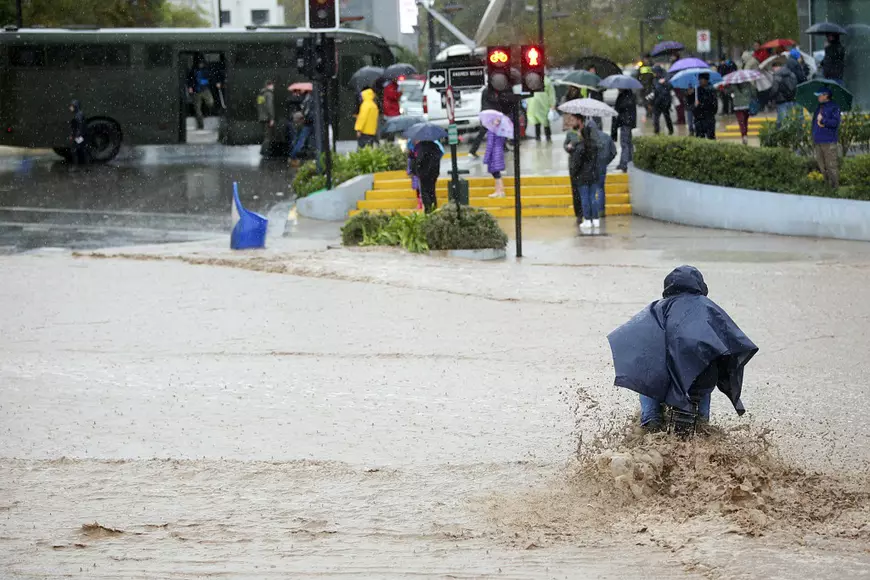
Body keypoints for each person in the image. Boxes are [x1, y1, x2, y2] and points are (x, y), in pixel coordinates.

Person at [607, 266, 758, 433]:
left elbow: (635, 337)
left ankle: (651, 419)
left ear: (668, 286)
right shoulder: (711, 309)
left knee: (647, 378)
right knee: (701, 420)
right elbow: (734, 344)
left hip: (665, 375)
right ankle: (701, 428)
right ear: (701, 286)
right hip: (701, 376)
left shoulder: (660, 308)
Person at [565, 114, 600, 232]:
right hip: (592, 174)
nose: (571, 122)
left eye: (573, 120)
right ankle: (594, 219)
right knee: (591, 197)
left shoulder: (582, 145)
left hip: (582, 175)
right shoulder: (593, 145)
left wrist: (575, 172)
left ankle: (588, 219)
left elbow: (577, 162)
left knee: (585, 197)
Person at [587, 119, 617, 217]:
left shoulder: (587, 139)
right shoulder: (606, 137)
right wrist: (606, 162)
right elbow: (613, 152)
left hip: (591, 167)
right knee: (600, 188)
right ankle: (601, 211)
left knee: (591, 190)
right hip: (602, 166)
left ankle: (592, 211)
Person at [812, 87, 841, 189]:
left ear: (826, 95)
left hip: (828, 141)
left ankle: (834, 189)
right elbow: (814, 124)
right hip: (818, 141)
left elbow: (835, 123)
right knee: (822, 167)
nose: (818, 97)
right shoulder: (818, 107)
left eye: (820, 95)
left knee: (831, 166)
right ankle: (826, 188)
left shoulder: (834, 107)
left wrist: (823, 120)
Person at [414, 139, 444, 213]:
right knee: (432, 193)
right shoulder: (435, 146)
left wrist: (418, 171)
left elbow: (419, 161)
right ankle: (434, 209)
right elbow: (438, 158)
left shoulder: (422, 147)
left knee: (425, 193)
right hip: (433, 174)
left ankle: (428, 211)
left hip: (424, 175)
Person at [189, 59, 217, 130]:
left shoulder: (206, 70)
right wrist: (190, 86)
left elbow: (211, 78)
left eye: (201, 63)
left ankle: (207, 115)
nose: (200, 64)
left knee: (210, 103)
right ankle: (201, 125)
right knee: (197, 109)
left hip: (205, 89)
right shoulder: (194, 71)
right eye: (199, 63)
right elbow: (190, 79)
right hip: (196, 90)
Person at [527, 75, 556, 143]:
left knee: (545, 122)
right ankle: (539, 138)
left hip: (543, 105)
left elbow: (551, 94)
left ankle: (547, 138)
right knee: (537, 123)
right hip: (534, 106)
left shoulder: (547, 81)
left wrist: (552, 105)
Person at [484, 121, 508, 198]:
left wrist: (486, 157)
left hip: (493, 153)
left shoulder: (491, 129)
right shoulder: (501, 129)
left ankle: (500, 191)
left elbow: (490, 144)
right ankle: (499, 191)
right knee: (496, 172)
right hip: (499, 151)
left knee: (495, 173)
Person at [614, 89, 636, 171]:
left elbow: (621, 108)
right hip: (628, 123)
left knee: (625, 143)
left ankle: (624, 163)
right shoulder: (630, 95)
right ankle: (630, 162)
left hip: (625, 123)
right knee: (628, 143)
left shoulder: (624, 96)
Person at [771, 62, 798, 127]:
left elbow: (775, 89)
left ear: (775, 67)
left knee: (781, 119)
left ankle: (780, 134)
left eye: (773, 68)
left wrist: (771, 97)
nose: (773, 70)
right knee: (789, 118)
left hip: (781, 100)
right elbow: (795, 86)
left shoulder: (777, 75)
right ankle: (789, 134)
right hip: (791, 99)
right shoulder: (792, 74)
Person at [693, 72, 718, 140]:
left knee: (711, 138)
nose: (700, 81)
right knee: (699, 139)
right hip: (698, 119)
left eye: (702, 79)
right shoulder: (697, 90)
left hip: (709, 118)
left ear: (706, 80)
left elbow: (714, 106)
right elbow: (692, 106)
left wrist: (700, 104)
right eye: (699, 79)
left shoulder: (711, 90)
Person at [257, 80, 275, 157]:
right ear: (269, 85)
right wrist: (272, 118)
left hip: (262, 117)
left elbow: (259, 105)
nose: (273, 87)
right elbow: (269, 106)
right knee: (268, 136)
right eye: (272, 85)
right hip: (267, 118)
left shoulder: (261, 94)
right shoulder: (269, 94)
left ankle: (264, 151)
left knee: (265, 135)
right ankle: (265, 151)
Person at [68, 100, 88, 167]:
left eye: (72, 106)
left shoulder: (79, 115)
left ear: (75, 107)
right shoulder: (78, 114)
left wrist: (76, 136)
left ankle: (76, 166)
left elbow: (80, 126)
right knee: (82, 150)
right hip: (80, 136)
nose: (70, 108)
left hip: (79, 136)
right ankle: (85, 166)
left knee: (75, 150)